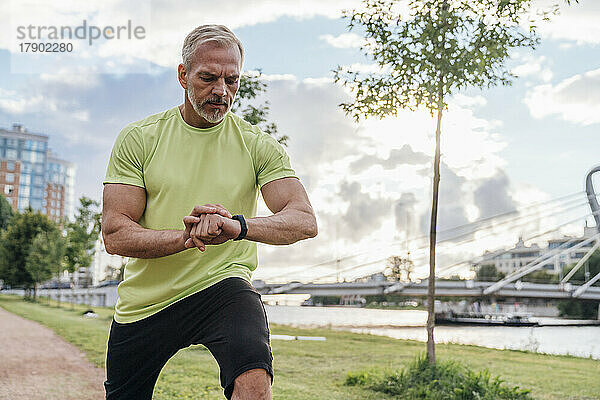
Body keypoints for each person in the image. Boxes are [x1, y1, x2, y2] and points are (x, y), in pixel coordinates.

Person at [101, 24, 317, 400]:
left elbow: (303, 220)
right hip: (146, 301)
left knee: (254, 378)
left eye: (232, 80)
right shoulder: (139, 138)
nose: (222, 91)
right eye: (208, 78)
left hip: (223, 285)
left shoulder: (257, 145)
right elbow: (115, 233)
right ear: (183, 75)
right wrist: (186, 238)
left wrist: (237, 226)